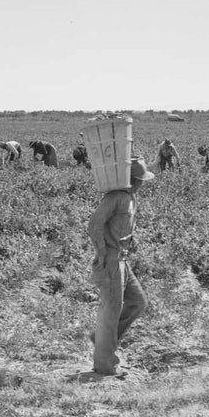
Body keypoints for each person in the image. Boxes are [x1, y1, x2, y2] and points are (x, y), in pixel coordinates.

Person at [85, 156, 154, 378]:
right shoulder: (115, 197)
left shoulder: (131, 198)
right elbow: (95, 223)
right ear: (133, 180)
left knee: (137, 302)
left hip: (123, 259)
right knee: (111, 310)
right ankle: (105, 366)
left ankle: (101, 339)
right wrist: (102, 253)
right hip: (113, 260)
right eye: (140, 179)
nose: (142, 183)